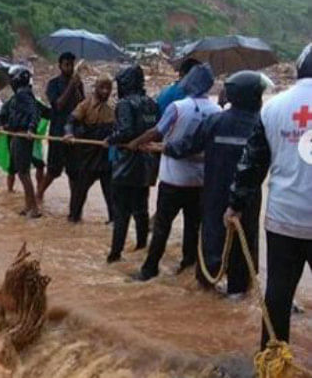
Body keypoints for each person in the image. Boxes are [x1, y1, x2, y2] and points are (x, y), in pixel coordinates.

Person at [226, 44, 312, 350]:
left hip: (283, 219)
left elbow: (251, 164)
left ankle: (272, 360)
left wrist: (235, 204)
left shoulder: (273, 107)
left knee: (277, 293)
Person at [162, 70, 269, 296]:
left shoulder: (216, 121)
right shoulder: (263, 124)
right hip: (246, 200)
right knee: (244, 245)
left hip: (214, 197)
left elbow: (186, 146)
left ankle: (206, 292)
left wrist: (166, 147)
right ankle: (238, 293)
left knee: (211, 244)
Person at [131, 63, 221, 280]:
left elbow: (156, 132)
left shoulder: (177, 107)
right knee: (192, 227)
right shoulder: (217, 111)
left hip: (173, 179)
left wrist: (135, 143)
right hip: (200, 182)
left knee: (162, 227)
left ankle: (149, 269)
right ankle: (187, 268)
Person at [105, 65, 159, 263]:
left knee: (121, 213)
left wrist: (110, 139)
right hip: (147, 166)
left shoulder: (125, 104)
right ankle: (141, 248)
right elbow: (157, 131)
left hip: (126, 166)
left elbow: (126, 131)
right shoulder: (152, 103)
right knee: (141, 209)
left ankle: (115, 254)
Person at [64, 74, 115, 224]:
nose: (105, 92)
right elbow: (70, 122)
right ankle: (74, 218)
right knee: (79, 191)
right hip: (88, 156)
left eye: (108, 88)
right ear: (96, 89)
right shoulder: (85, 105)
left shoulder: (113, 108)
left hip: (105, 156)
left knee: (111, 193)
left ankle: (113, 221)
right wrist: (69, 134)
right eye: (102, 88)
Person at [37, 52, 84, 204]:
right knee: (53, 170)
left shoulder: (78, 84)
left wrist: (76, 87)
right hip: (57, 132)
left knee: (74, 172)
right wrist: (71, 86)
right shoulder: (53, 84)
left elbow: (82, 106)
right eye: (66, 64)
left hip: (75, 132)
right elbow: (58, 105)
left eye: (71, 64)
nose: (69, 68)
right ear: (60, 66)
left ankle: (74, 205)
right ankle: (39, 195)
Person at [0, 67, 41, 218]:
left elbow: (34, 113)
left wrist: (31, 128)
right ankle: (28, 206)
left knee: (24, 174)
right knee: (23, 173)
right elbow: (17, 115)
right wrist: (6, 125)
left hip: (22, 136)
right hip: (18, 135)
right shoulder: (22, 94)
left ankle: (34, 208)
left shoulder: (23, 94)